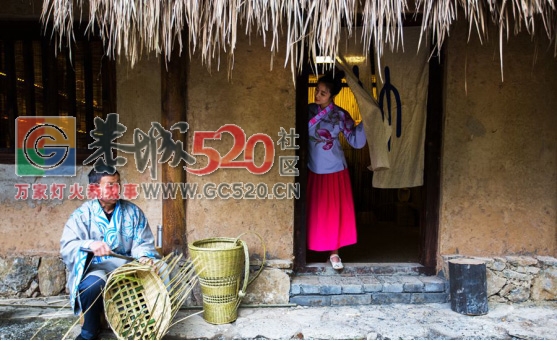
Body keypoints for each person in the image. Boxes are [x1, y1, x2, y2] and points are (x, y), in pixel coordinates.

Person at [60, 168, 160, 340]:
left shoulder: (133, 212)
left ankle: (146, 324)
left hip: (126, 266)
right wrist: (89, 245)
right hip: (96, 268)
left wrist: (143, 256)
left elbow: (142, 241)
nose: (117, 190)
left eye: (118, 184)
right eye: (110, 185)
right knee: (92, 284)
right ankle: (89, 332)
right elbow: (67, 246)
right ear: (94, 189)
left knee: (161, 270)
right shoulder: (81, 216)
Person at [307, 70, 367, 270]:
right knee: (314, 209)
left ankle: (334, 254)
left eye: (323, 93)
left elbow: (355, 141)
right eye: (317, 91)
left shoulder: (340, 115)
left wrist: (368, 121)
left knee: (332, 213)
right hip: (311, 166)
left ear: (332, 96)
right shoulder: (307, 110)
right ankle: (307, 248)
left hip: (334, 169)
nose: (318, 96)